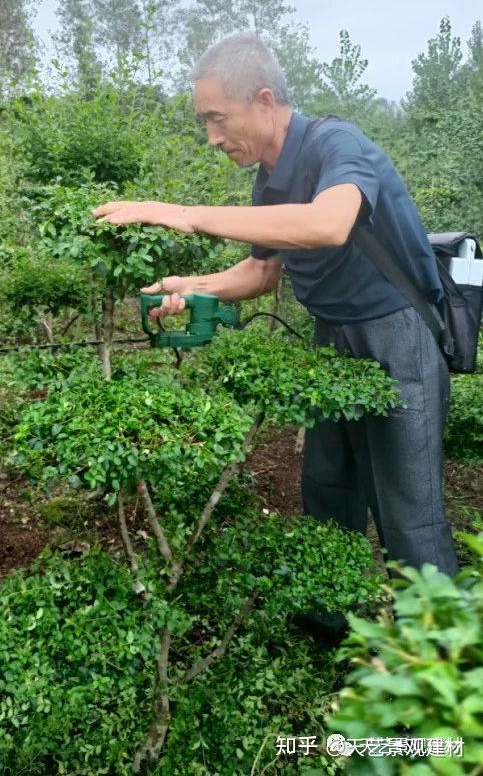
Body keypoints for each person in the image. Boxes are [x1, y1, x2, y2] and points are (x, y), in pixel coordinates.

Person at [91, 31, 460, 591]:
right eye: (204, 123)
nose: (212, 138)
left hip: (397, 334)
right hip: (332, 334)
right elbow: (260, 274)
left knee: (409, 511)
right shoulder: (269, 183)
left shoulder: (337, 144)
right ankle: (327, 622)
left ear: (264, 101)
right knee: (328, 487)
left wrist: (184, 214)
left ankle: (434, 640)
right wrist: (188, 286)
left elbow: (328, 224)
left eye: (217, 119)